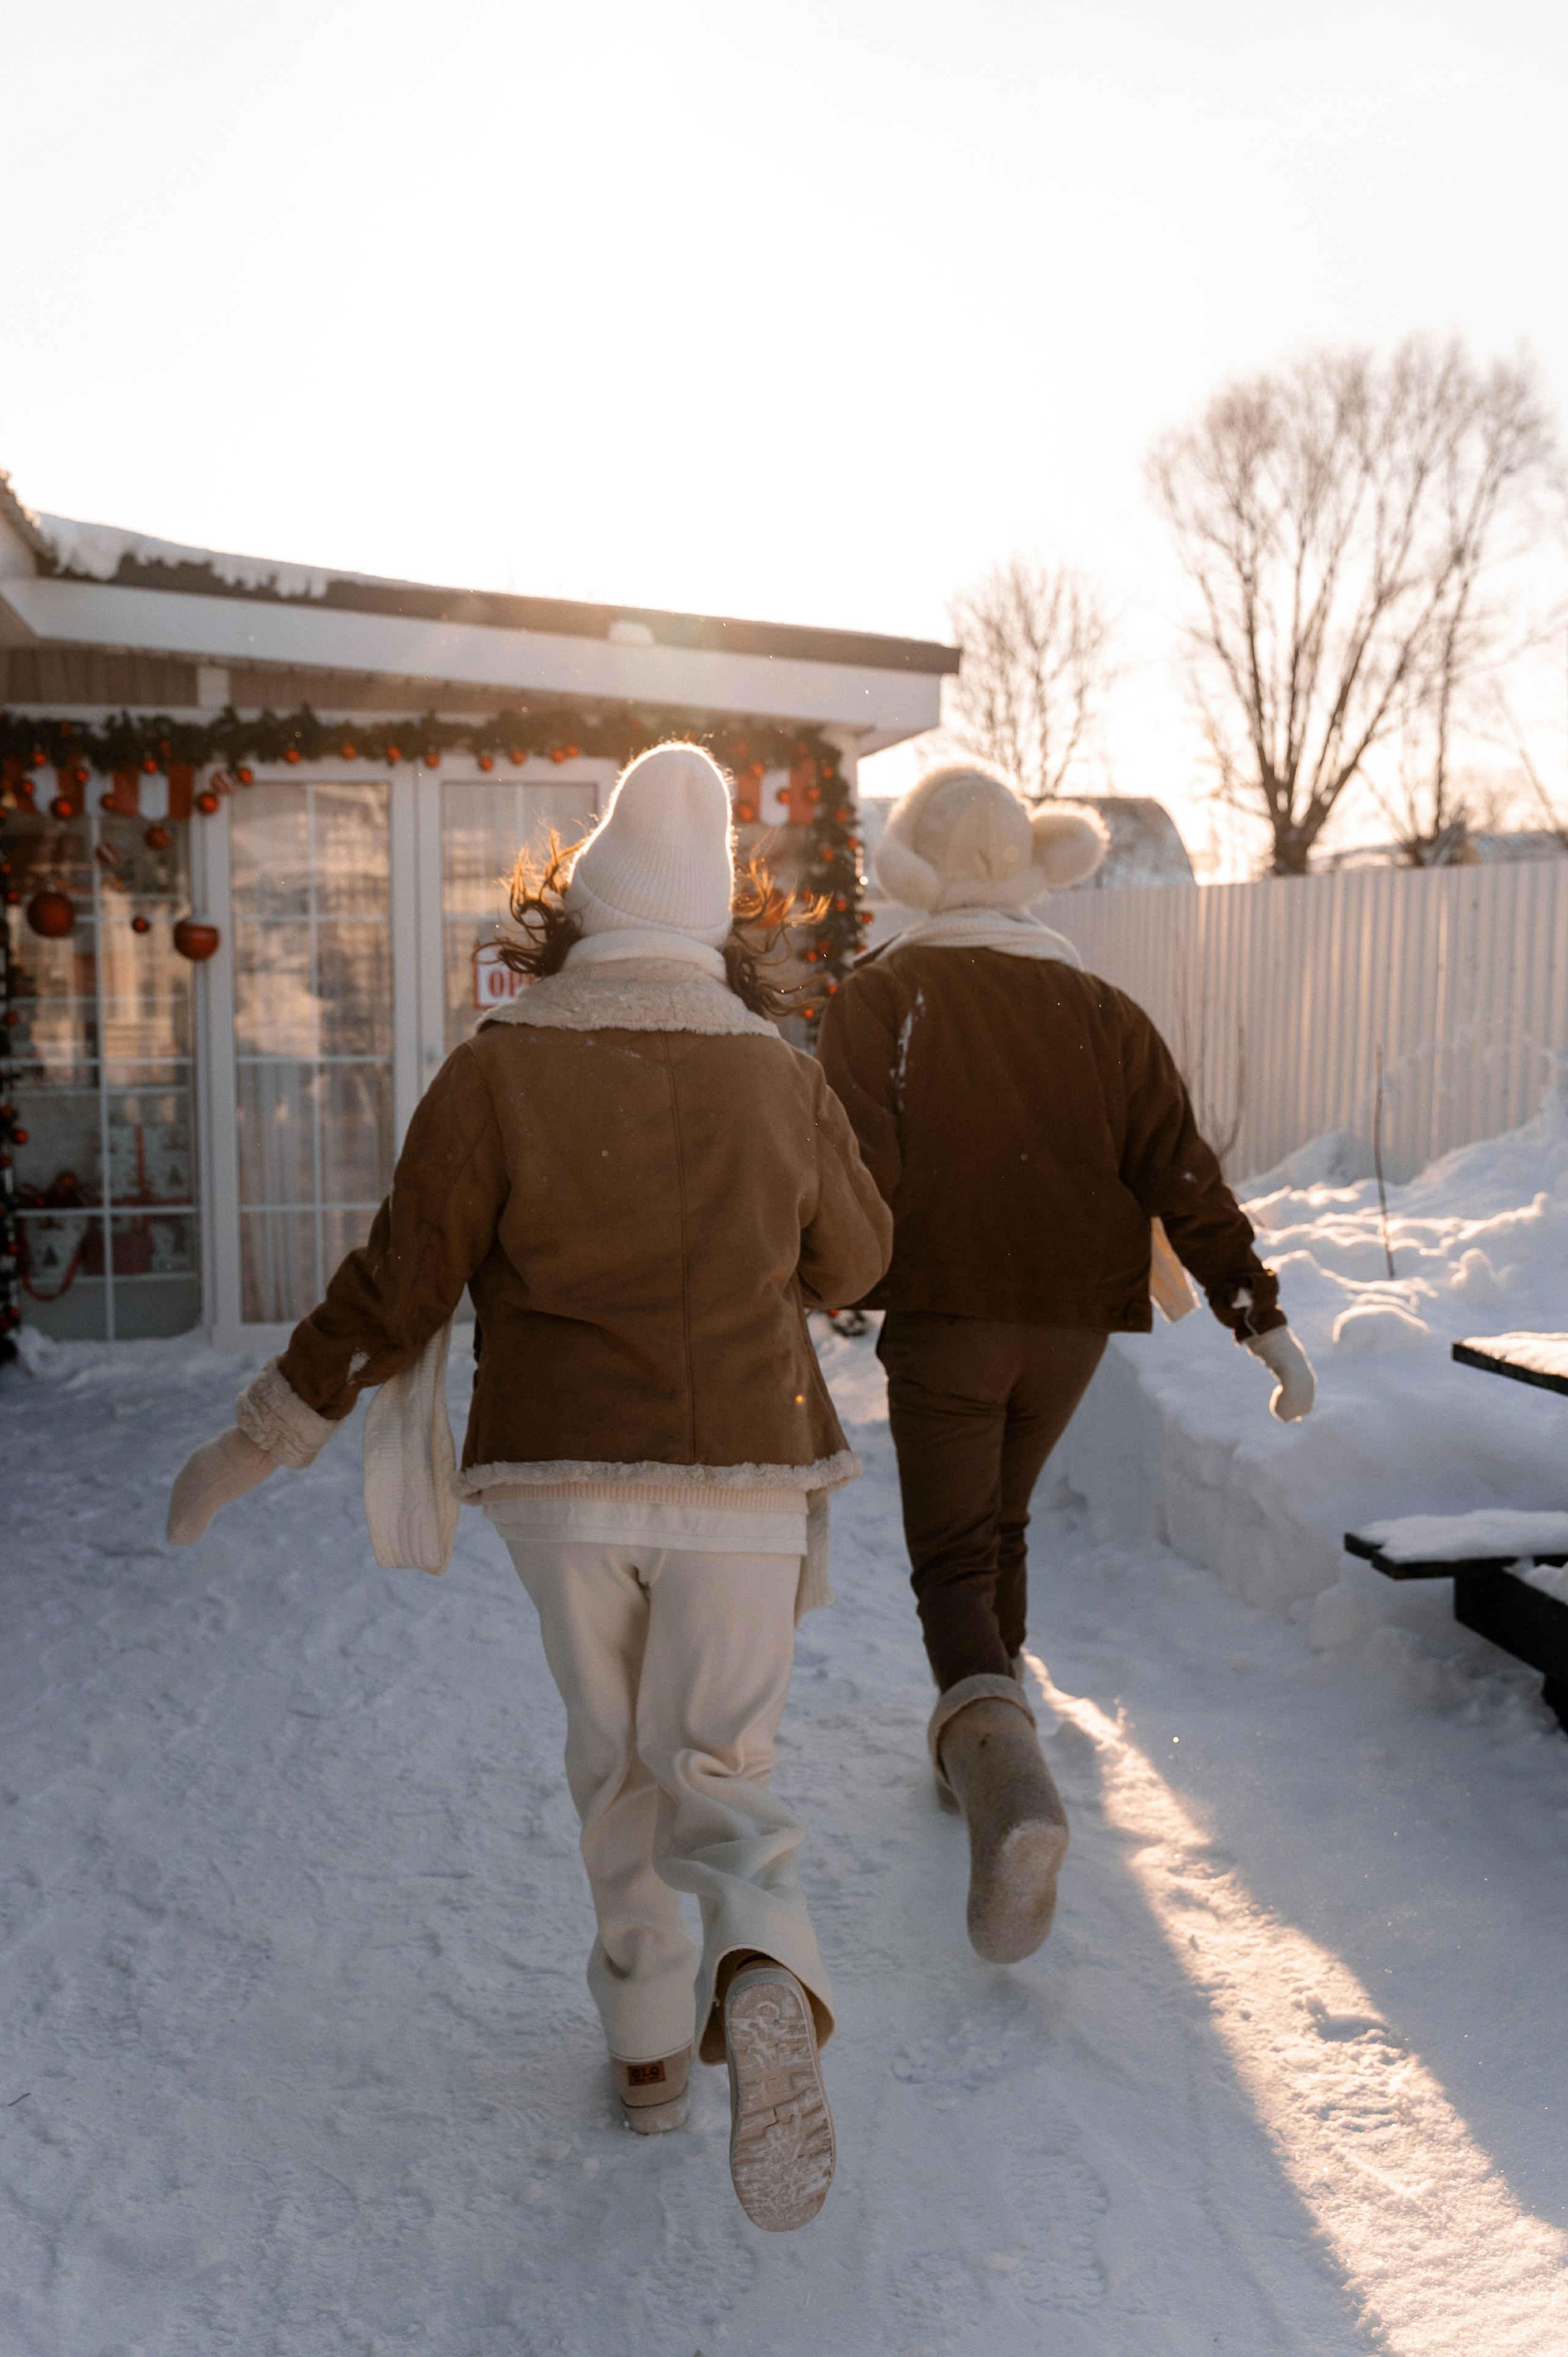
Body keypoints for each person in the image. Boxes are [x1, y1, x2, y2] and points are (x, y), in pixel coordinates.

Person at [166, 744, 892, 2234]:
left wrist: (264, 1433)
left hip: (559, 1479)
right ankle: (756, 1955)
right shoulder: (778, 1072)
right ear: (712, 920)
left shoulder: (499, 1065)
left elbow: (401, 1279)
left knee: (613, 1756)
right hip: (745, 1469)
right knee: (718, 1768)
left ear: (580, 905)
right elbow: (859, 1263)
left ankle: (643, 2049)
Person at [818, 761, 1314, 1966]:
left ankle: (1004, 1786)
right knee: (1003, 1519)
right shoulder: (1101, 1009)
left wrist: (827, 1291)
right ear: (1033, 866)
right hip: (1073, 1327)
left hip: (948, 1314)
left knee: (949, 1553)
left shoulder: (883, 997)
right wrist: (1261, 1320)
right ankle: (1001, 1739)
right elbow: (1178, 1167)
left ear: (918, 873)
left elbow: (847, 1172)